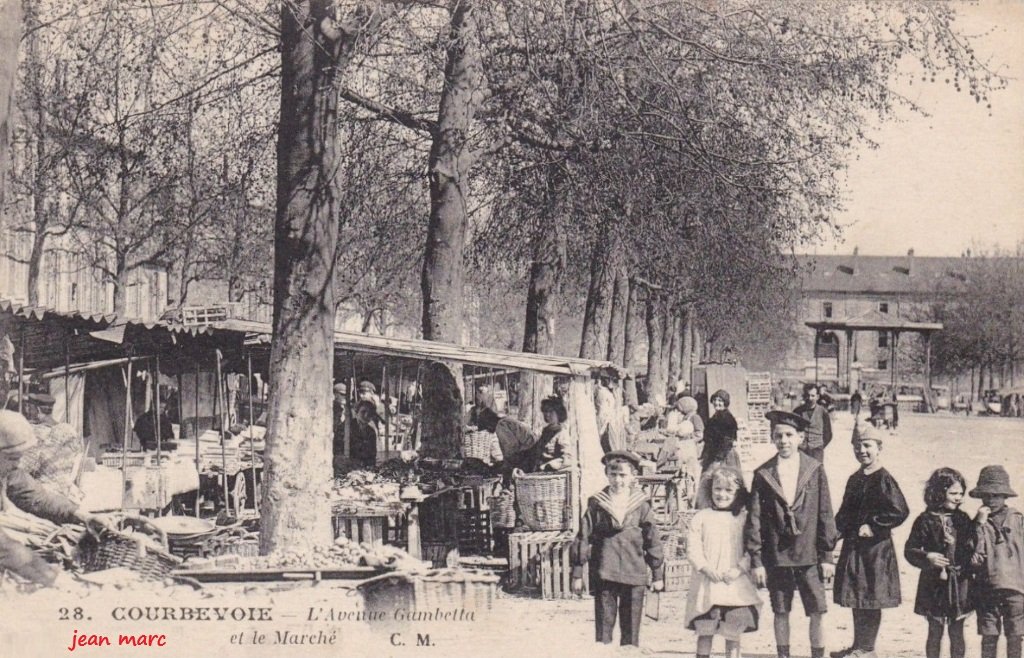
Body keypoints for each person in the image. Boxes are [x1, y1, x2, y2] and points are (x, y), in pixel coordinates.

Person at [745, 410, 838, 658]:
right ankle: (783, 654)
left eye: (789, 435)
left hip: (809, 555)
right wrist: (756, 562)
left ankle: (817, 655)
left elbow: (825, 512)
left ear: (800, 437)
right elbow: (754, 520)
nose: (783, 440)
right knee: (781, 610)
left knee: (818, 610)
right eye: (778, 436)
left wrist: (827, 555)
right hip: (777, 554)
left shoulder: (814, 469)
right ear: (772, 438)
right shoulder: (763, 474)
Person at [0, 410, 114, 586]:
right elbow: (5, 549)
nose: (18, 464)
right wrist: (49, 576)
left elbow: (37, 496)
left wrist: (81, 515)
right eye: (12, 458)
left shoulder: (9, 471)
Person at [831, 421, 909, 658]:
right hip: (854, 547)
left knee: (871, 598)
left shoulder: (883, 478)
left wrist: (874, 525)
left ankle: (868, 648)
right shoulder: (854, 478)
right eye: (857, 446)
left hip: (876, 550)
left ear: (879, 448)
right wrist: (832, 535)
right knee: (857, 597)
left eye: (867, 446)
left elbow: (900, 510)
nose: (862, 451)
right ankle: (858, 645)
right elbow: (844, 513)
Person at [572, 450, 664, 647]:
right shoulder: (597, 503)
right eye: (613, 474)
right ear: (606, 474)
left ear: (632, 476)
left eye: (623, 475)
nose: (617, 480)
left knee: (631, 634)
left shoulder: (641, 505)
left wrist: (657, 574)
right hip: (606, 573)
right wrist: (578, 572)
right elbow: (583, 537)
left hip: (634, 574)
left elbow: (652, 540)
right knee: (603, 633)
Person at [685, 465, 762, 658]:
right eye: (717, 489)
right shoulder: (701, 517)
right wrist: (705, 568)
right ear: (709, 490)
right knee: (705, 630)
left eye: (729, 490)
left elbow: (751, 548)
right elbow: (693, 548)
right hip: (708, 583)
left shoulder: (743, 519)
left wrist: (739, 569)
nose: (722, 494)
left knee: (733, 632)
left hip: (735, 583)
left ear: (738, 493)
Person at [904, 468, 975, 658]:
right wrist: (928, 557)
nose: (958, 497)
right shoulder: (925, 520)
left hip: (959, 582)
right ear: (938, 492)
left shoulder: (963, 519)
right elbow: (910, 550)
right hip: (933, 583)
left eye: (961, 493)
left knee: (957, 631)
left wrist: (963, 548)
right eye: (953, 493)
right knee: (935, 630)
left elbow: (972, 548)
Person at [969, 465, 1024, 658]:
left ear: (1005, 496)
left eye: (996, 495)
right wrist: (979, 524)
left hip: (1016, 588)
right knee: (989, 636)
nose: (991, 500)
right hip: (986, 587)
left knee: (1015, 635)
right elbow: (972, 551)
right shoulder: (977, 522)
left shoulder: (1018, 519)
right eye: (986, 496)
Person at [527, 396, 575, 472]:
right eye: (545, 411)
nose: (547, 415)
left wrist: (549, 465)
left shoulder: (562, 433)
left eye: (551, 412)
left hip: (551, 473)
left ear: (558, 413)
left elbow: (567, 457)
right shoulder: (546, 431)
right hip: (538, 469)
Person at [701, 389, 741, 473]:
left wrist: (718, 460)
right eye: (715, 400)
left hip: (723, 457)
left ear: (725, 403)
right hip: (712, 455)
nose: (716, 403)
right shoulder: (714, 418)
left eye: (720, 401)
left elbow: (728, 441)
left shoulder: (727, 419)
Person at [662, 395, 702, 476]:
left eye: (680, 408)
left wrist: (690, 439)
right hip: (683, 446)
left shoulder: (695, 417)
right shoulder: (685, 418)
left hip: (690, 447)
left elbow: (699, 434)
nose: (679, 411)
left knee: (691, 471)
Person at [794, 383, 833, 463]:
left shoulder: (823, 412)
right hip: (801, 450)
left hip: (817, 450)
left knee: (817, 472)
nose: (810, 398)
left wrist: (820, 446)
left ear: (817, 397)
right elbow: (792, 430)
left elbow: (828, 434)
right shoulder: (798, 411)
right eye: (807, 395)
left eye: (812, 395)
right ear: (804, 396)